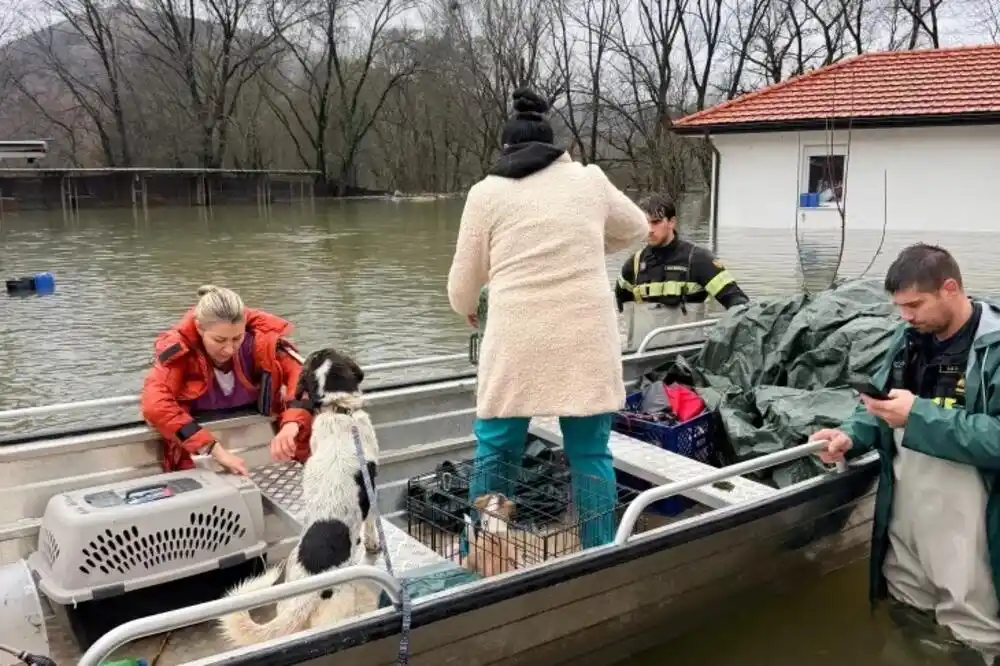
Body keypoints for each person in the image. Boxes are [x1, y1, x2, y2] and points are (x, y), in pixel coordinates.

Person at [446, 88, 648, 548]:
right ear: (554, 147)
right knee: (590, 452)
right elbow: (637, 226)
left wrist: (469, 306)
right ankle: (600, 549)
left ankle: (483, 549)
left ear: (506, 149)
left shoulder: (486, 193)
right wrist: (589, 243)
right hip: (585, 335)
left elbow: (461, 288)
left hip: (516, 337)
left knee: (497, 448)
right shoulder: (590, 181)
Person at [809, 244, 1000, 664]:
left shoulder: (994, 347)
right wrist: (850, 436)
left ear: (950, 289)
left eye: (915, 305)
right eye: (899, 307)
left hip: (970, 505)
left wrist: (918, 416)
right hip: (905, 498)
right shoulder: (909, 339)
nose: (906, 317)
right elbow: (878, 407)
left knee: (971, 623)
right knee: (904, 604)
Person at [141, 285, 313, 475]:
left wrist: (292, 422)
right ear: (199, 328)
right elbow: (155, 405)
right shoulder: (179, 352)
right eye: (219, 340)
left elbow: (303, 377)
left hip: (262, 441)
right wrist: (213, 449)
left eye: (237, 338)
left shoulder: (262, 342)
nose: (229, 349)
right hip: (195, 454)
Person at [614, 192, 749, 314]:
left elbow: (739, 304)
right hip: (644, 335)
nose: (649, 229)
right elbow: (620, 310)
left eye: (656, 222)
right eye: (644, 222)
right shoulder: (633, 264)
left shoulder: (699, 260)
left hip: (688, 335)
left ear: (672, 222)